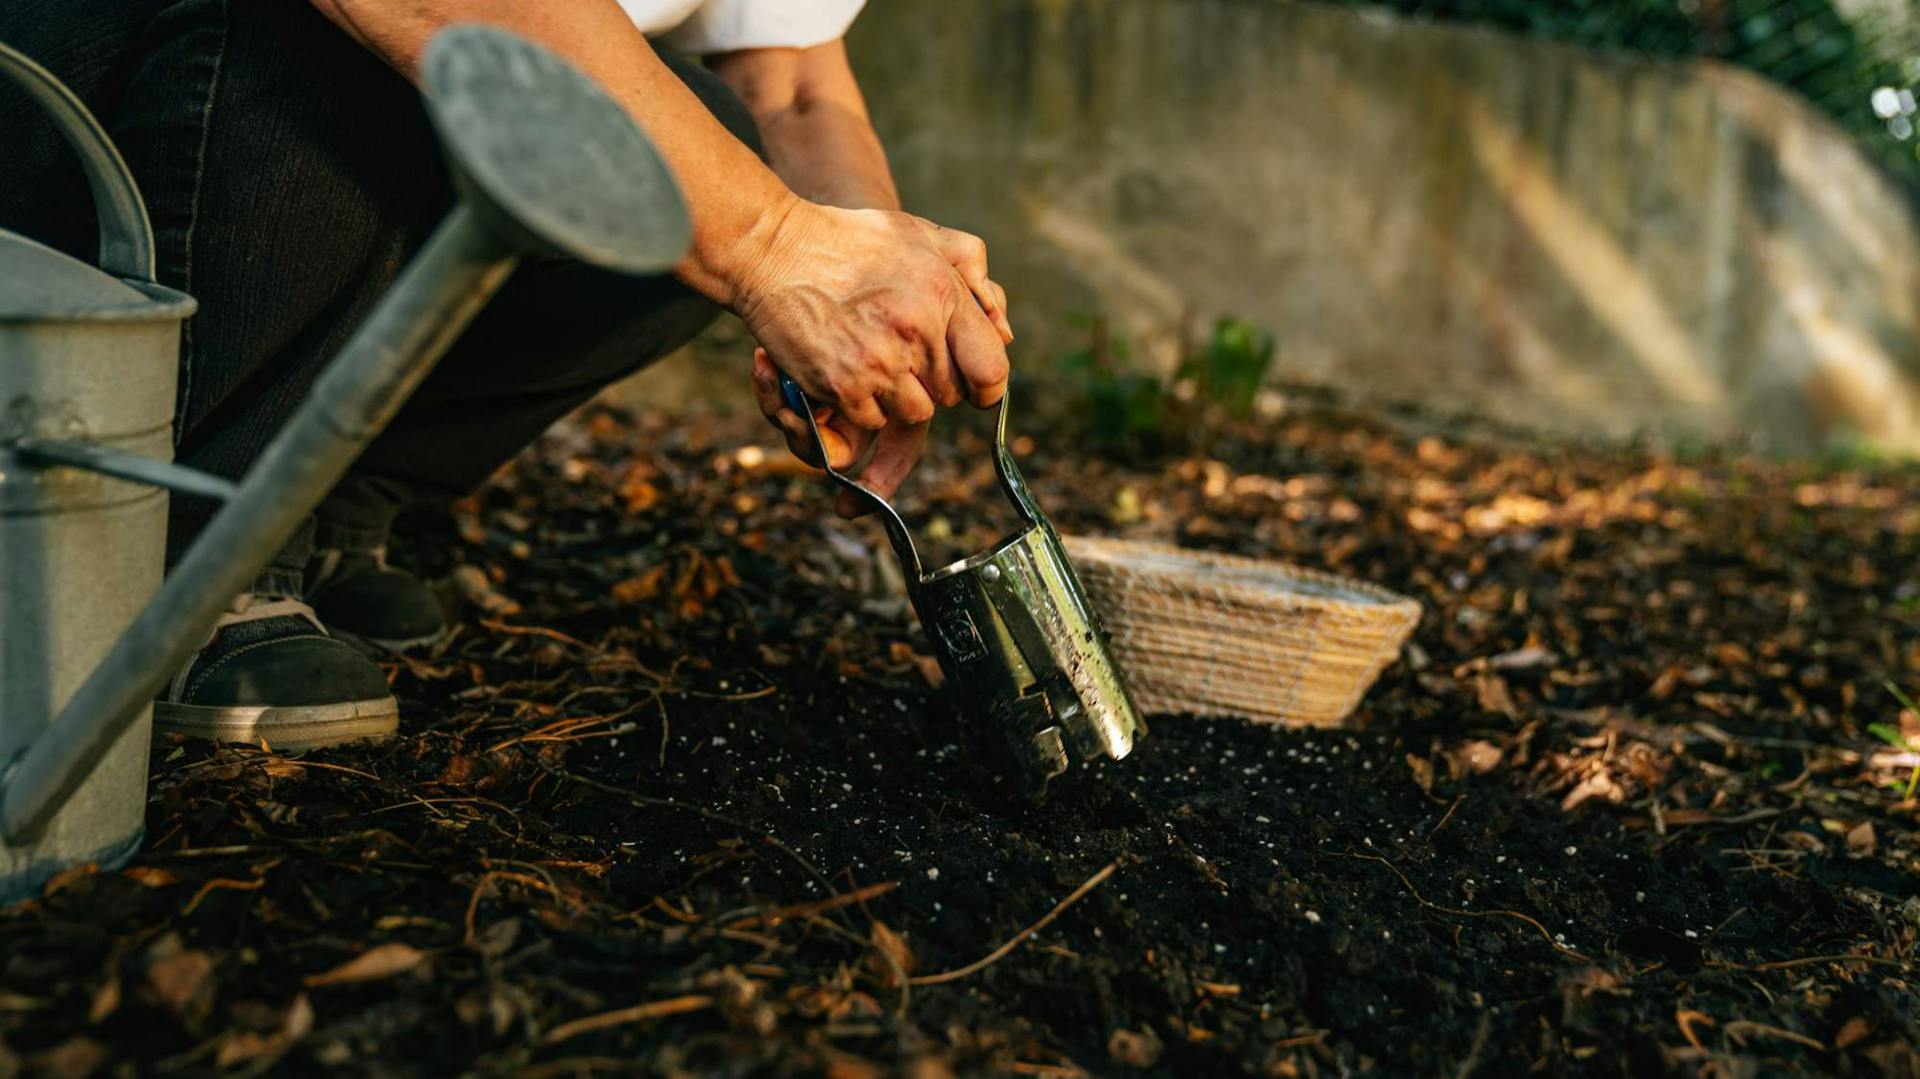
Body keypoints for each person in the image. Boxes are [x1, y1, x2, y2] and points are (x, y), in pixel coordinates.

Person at [0, 0, 1012, 750]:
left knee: (698, 153)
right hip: (66, 88)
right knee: (376, 42)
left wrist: (877, 278)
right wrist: (771, 240)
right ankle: (178, 540)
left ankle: (315, 489)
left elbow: (789, 82)